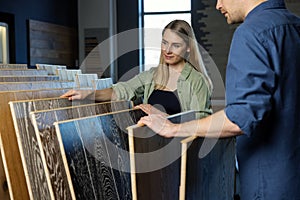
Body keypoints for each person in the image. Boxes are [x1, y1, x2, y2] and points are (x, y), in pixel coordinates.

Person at [139, 0, 300, 199]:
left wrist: (172, 128)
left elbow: (240, 119)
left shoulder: (251, 33)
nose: (217, 5)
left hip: (268, 184)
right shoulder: (294, 25)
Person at [61, 19, 213, 118]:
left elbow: (200, 124)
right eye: (164, 43)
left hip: (180, 154)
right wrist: (88, 93)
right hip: (149, 147)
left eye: (176, 45)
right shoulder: (152, 75)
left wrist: (163, 118)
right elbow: (122, 90)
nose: (167, 50)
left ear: (188, 48)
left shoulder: (197, 81)